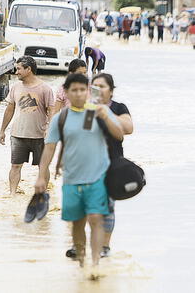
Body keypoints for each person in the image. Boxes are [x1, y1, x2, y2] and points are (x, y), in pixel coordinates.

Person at [34, 73, 123, 271]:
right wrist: (41, 176)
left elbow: (119, 135)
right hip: (71, 178)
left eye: (83, 89)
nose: (79, 93)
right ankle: (82, 261)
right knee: (77, 222)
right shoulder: (61, 118)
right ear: (67, 92)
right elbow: (49, 147)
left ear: (88, 91)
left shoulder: (97, 111)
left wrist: (106, 118)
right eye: (74, 90)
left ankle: (96, 265)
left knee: (95, 217)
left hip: (98, 176)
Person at [66, 73, 133, 260]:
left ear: (111, 91)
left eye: (102, 86)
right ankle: (78, 244)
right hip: (87, 165)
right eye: (94, 85)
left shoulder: (119, 107)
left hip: (113, 164)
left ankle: (105, 245)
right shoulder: (87, 109)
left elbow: (128, 128)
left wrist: (106, 112)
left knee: (107, 208)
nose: (98, 89)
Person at [0, 56, 55, 194]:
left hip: (39, 135)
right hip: (17, 134)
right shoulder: (16, 87)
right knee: (15, 165)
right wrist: (2, 130)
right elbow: (10, 109)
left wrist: (50, 128)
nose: (16, 72)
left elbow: (51, 111)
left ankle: (42, 194)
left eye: (18, 69)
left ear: (28, 69)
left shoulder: (45, 88)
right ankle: (12, 194)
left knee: (42, 166)